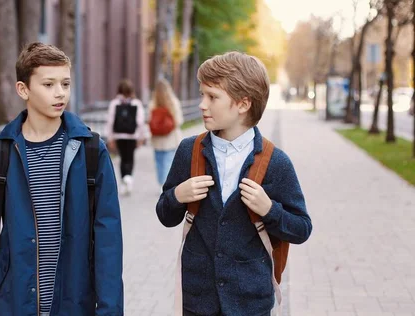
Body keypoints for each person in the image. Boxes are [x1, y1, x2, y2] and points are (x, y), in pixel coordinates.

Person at [0, 42, 124, 316]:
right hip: (16, 303)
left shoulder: (91, 150)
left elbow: (109, 240)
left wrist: (110, 310)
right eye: (48, 85)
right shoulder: (0, 154)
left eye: (65, 83)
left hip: (75, 302)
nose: (60, 93)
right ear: (23, 89)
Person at [156, 51, 312, 315]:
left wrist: (269, 210)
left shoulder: (275, 162)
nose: (203, 104)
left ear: (243, 104)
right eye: (202, 94)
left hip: (251, 303)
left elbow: (302, 228)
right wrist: (176, 196)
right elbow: (165, 215)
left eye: (212, 97)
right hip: (197, 301)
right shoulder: (189, 151)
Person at [105, 79, 148, 195]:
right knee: (130, 158)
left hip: (119, 136)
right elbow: (140, 122)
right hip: (132, 136)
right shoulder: (136, 103)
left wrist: (110, 138)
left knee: (122, 158)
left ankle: (124, 178)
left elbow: (110, 121)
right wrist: (141, 137)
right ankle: (129, 177)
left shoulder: (114, 103)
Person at [148, 78, 184, 189]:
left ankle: (161, 183)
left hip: (157, 140)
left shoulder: (153, 104)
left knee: (159, 164)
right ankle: (165, 185)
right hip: (171, 139)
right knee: (168, 163)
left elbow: (150, 121)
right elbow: (179, 121)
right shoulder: (173, 102)